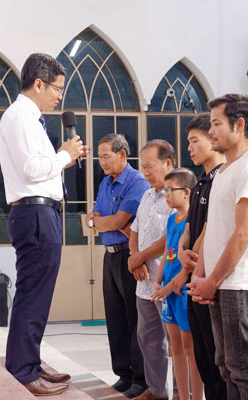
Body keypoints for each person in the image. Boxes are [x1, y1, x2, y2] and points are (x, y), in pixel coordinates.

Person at [0, 53, 86, 396]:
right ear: (38, 84)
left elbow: (37, 166)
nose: (60, 95)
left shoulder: (29, 118)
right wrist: (64, 155)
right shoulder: (20, 116)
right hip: (34, 214)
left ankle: (30, 364)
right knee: (32, 294)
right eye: (57, 88)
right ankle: (22, 370)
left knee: (38, 294)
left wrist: (61, 157)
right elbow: (31, 170)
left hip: (40, 212)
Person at [187, 94, 248, 400]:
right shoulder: (225, 170)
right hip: (221, 282)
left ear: (239, 125)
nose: (211, 131)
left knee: (243, 369)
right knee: (225, 366)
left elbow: (243, 234)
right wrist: (199, 275)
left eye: (216, 124)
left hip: (238, 283)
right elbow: (213, 231)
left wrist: (212, 280)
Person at [85, 134, 150, 398]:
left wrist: (101, 222)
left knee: (135, 319)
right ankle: (124, 374)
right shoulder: (105, 182)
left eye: (105, 156)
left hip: (129, 256)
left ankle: (141, 379)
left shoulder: (136, 182)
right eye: (99, 157)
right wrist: (100, 222)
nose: (101, 162)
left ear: (122, 155)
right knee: (115, 318)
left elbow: (116, 222)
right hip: (109, 256)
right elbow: (93, 217)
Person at [172, 113, 227, 400]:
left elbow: (210, 227)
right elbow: (190, 227)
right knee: (203, 355)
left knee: (218, 358)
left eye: (195, 141)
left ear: (213, 139)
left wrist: (190, 263)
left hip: (208, 277)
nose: (190, 148)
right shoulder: (200, 183)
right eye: (189, 142)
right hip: (193, 275)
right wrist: (183, 250)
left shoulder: (222, 178)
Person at [128, 140, 179, 400]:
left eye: (150, 166)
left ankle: (182, 393)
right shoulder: (147, 195)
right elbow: (135, 229)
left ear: (168, 163)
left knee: (177, 341)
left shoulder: (177, 194)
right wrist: (134, 258)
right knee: (148, 339)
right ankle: (157, 391)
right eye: (143, 167)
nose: (145, 172)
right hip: (144, 282)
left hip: (167, 281)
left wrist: (139, 258)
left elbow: (171, 237)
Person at [152, 168, 202, 400]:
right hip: (167, 291)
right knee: (176, 348)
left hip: (182, 290)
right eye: (165, 191)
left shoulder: (194, 220)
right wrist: (157, 279)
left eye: (170, 190)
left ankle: (197, 396)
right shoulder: (172, 219)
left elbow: (191, 261)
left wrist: (170, 285)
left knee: (191, 349)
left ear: (186, 192)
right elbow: (167, 252)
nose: (166, 195)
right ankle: (182, 396)